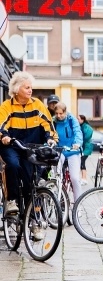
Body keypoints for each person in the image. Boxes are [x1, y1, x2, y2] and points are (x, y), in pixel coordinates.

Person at [0, 72, 58, 220]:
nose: (30, 90)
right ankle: (11, 200)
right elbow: (1, 125)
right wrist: (4, 136)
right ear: (17, 89)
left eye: (31, 87)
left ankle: (32, 220)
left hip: (30, 147)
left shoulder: (37, 104)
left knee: (30, 183)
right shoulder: (7, 106)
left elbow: (47, 124)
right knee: (12, 165)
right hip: (12, 146)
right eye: (26, 87)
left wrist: (50, 138)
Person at [52, 102, 83, 200]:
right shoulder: (53, 121)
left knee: (75, 178)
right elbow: (49, 133)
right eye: (56, 113)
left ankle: (78, 203)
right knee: (56, 175)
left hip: (72, 150)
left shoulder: (71, 120)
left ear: (65, 112)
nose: (58, 116)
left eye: (61, 113)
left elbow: (77, 131)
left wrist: (77, 143)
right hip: (60, 150)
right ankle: (58, 196)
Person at [78, 115, 93, 185]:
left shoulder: (86, 127)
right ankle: (83, 178)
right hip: (84, 147)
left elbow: (86, 137)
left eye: (78, 119)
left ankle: (84, 179)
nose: (77, 120)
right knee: (81, 162)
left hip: (86, 148)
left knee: (82, 162)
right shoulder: (83, 126)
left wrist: (80, 142)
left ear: (82, 120)